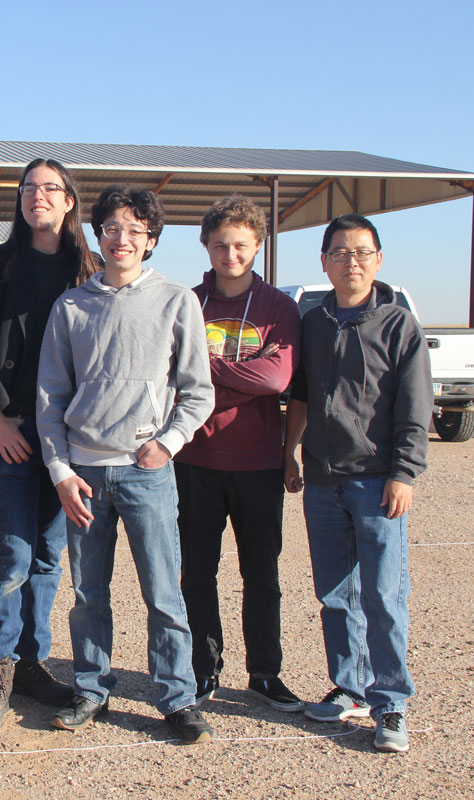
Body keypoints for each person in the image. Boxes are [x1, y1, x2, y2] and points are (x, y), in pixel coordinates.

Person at [37, 184, 216, 743]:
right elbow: (50, 398)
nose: (122, 239)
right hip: (84, 477)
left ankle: (177, 697)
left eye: (135, 231)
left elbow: (198, 391)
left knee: (163, 591)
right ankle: (92, 686)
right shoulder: (71, 306)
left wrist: (169, 442)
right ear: (98, 235)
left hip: (148, 474)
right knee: (89, 592)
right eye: (112, 228)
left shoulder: (176, 300)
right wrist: (62, 472)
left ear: (151, 240)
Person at [0, 157, 98, 729]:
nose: (38, 196)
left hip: (72, 441)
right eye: (29, 188)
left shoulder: (90, 270)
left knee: (48, 557)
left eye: (51, 188)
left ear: (68, 202)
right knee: (13, 552)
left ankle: (32, 665)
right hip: (15, 433)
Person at [284, 214, 433, 754]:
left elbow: (416, 410)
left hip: (376, 483)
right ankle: (348, 688)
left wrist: (404, 473)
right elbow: (299, 395)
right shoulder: (314, 322)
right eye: (341, 253)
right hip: (323, 480)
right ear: (323, 261)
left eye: (362, 252)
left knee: (384, 596)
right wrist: (290, 454)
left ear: (379, 259)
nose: (352, 262)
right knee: (335, 595)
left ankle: (390, 703)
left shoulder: (398, 326)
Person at [173, 195, 303, 713]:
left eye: (242, 245)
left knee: (261, 573)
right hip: (195, 459)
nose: (231, 253)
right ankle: (204, 668)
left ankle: (264, 672)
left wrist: (204, 367)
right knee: (197, 572)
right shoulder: (186, 301)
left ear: (258, 246)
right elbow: (169, 372)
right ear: (206, 245)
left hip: (257, 462)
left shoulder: (279, 308)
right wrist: (245, 377)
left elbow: (276, 379)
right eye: (221, 244)